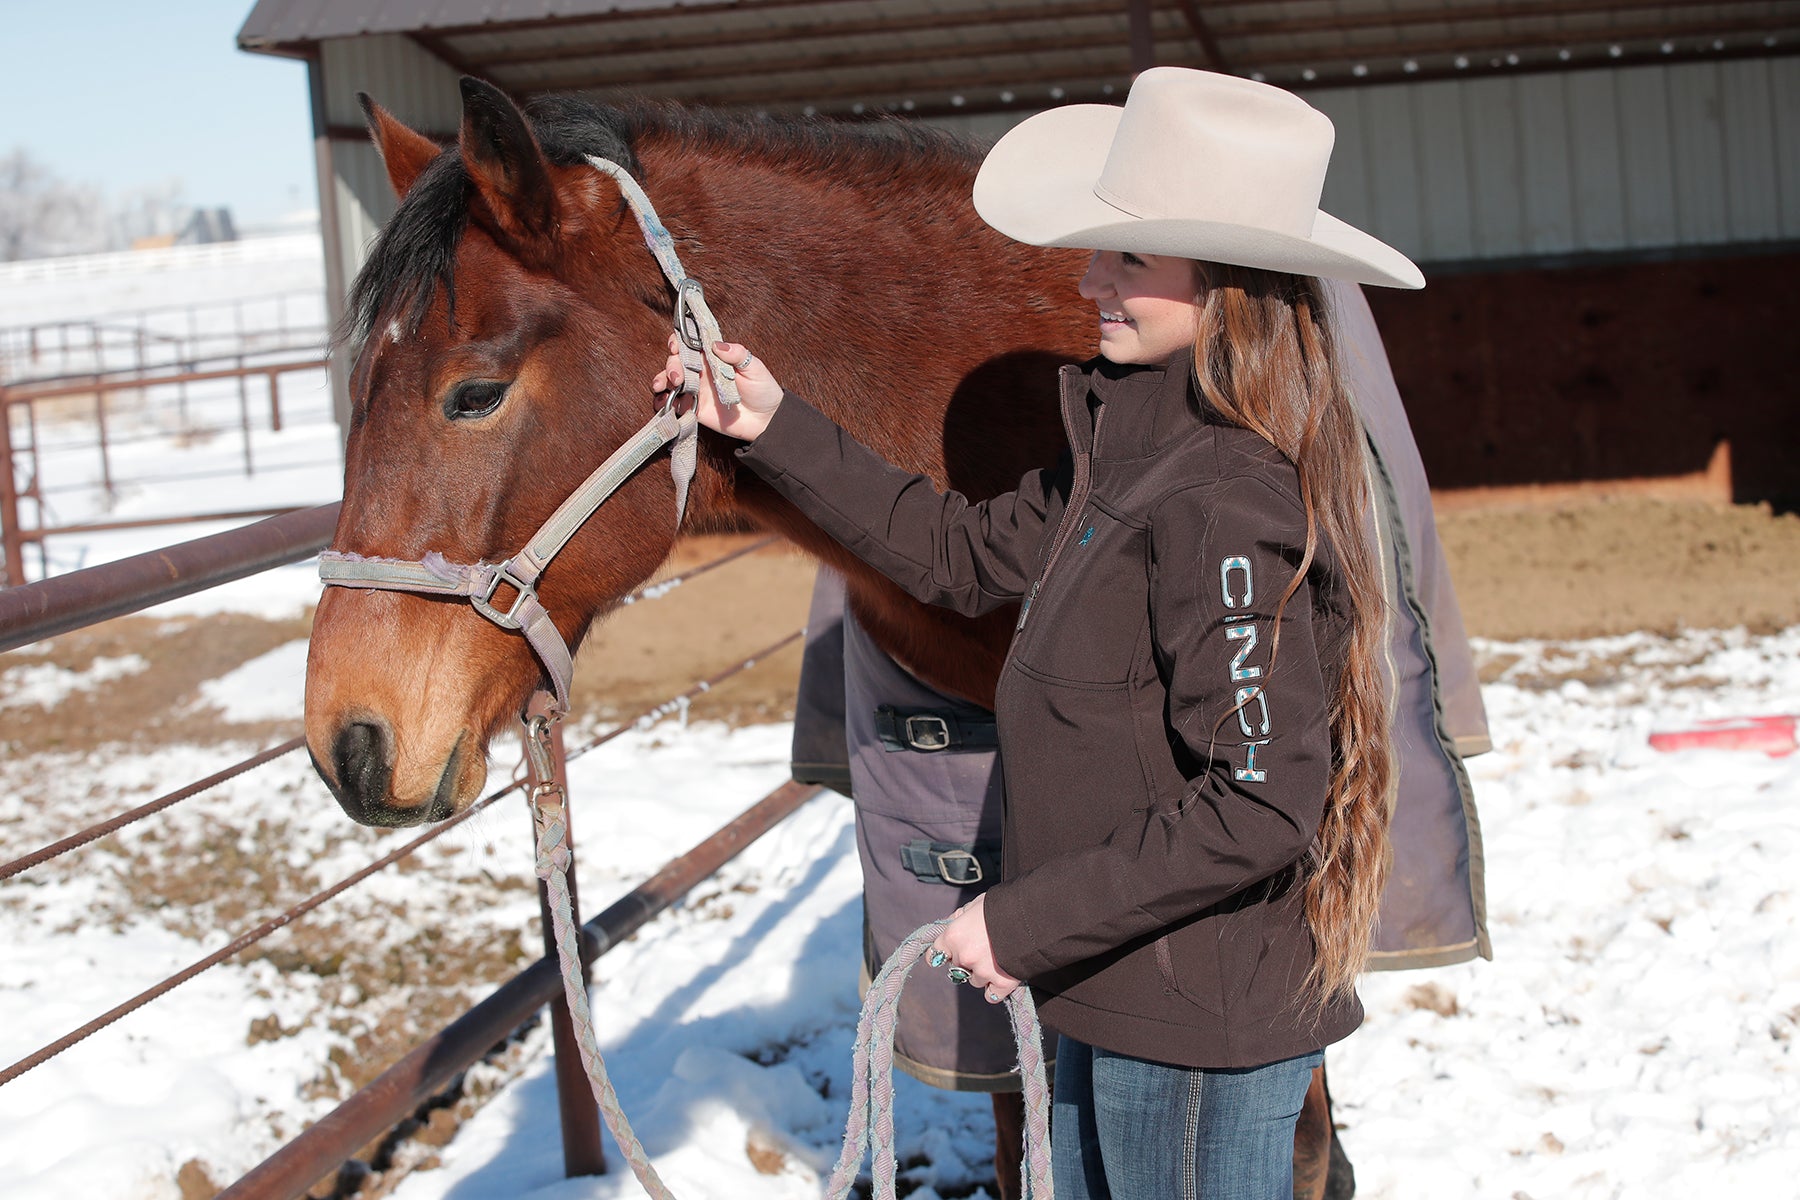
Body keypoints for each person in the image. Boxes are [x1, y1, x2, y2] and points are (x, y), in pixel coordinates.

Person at [655, 67, 1424, 1198]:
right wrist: (775, 426)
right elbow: (956, 557)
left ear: (1225, 286)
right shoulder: (1123, 453)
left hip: (1194, 1025)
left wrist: (1022, 921)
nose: (1086, 279)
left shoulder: (1220, 501)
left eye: (1129, 259)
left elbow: (1258, 800)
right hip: (1121, 986)